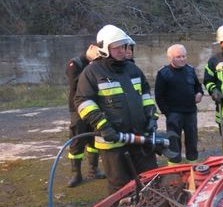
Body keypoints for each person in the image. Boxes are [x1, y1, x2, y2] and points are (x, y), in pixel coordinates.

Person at [75, 24, 158, 194]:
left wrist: (151, 117)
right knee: (120, 188)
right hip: (113, 142)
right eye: (117, 47)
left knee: (150, 180)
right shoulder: (91, 72)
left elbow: (146, 95)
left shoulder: (133, 69)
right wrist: (104, 126)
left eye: (124, 46)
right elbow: (83, 102)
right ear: (105, 48)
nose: (123, 50)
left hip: (140, 137)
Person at [65, 44, 106, 187]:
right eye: (98, 52)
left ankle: (93, 169)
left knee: (94, 139)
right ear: (91, 47)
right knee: (77, 140)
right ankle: (76, 174)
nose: (99, 55)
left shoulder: (98, 64)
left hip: (95, 107)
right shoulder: (75, 64)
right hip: (78, 109)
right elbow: (76, 84)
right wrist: (93, 67)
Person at [155, 44, 203, 164]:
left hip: (190, 112)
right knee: (173, 142)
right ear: (170, 58)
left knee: (192, 140)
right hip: (174, 114)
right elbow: (159, 96)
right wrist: (167, 113)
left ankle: (192, 163)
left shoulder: (190, 70)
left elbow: (198, 87)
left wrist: (199, 94)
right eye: (178, 57)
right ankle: (174, 166)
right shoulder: (163, 73)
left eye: (184, 56)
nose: (182, 59)